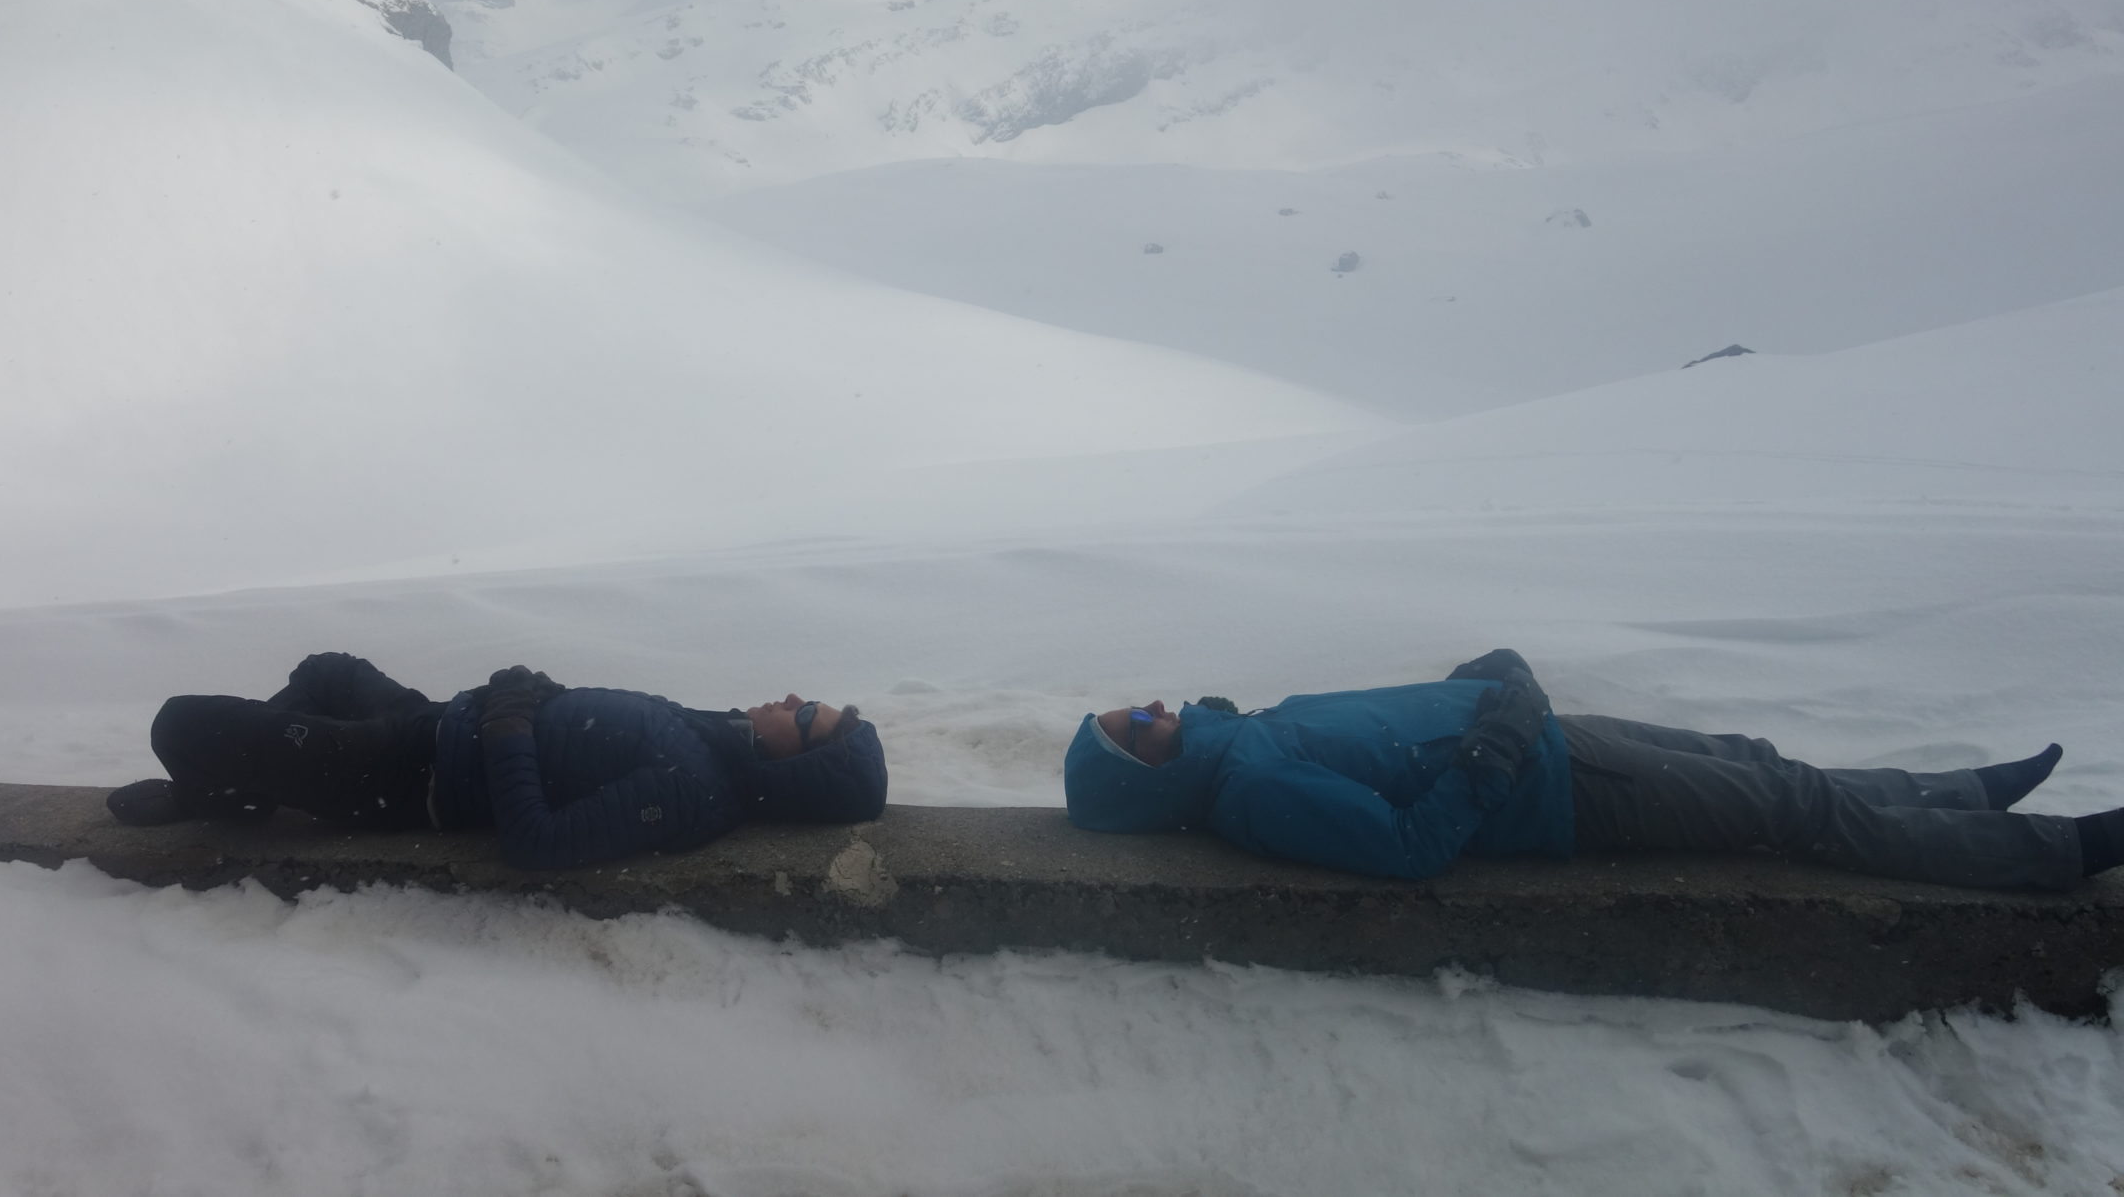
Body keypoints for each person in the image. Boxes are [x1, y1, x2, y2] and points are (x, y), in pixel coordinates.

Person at [1064, 649, 2121, 892]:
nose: (1157, 706)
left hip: (1548, 740)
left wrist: (1475, 691)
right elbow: (1408, 847)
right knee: (1790, 807)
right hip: (1565, 787)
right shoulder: (1251, 791)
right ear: (1145, 779)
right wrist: (1494, 746)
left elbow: (1386, 740)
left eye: (1140, 703)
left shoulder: (1237, 741)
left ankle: (1964, 796)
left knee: (1761, 763)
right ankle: (2056, 854)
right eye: (1139, 725)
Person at [107, 652, 887, 870]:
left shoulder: (695, 793)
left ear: (799, 767)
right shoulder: (718, 739)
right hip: (435, 720)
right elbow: (589, 736)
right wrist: (540, 693)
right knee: (327, 671)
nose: (792, 697)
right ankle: (244, 789)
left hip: (408, 777)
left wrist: (511, 719)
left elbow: (536, 842)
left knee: (179, 723)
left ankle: (213, 790)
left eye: (805, 715)